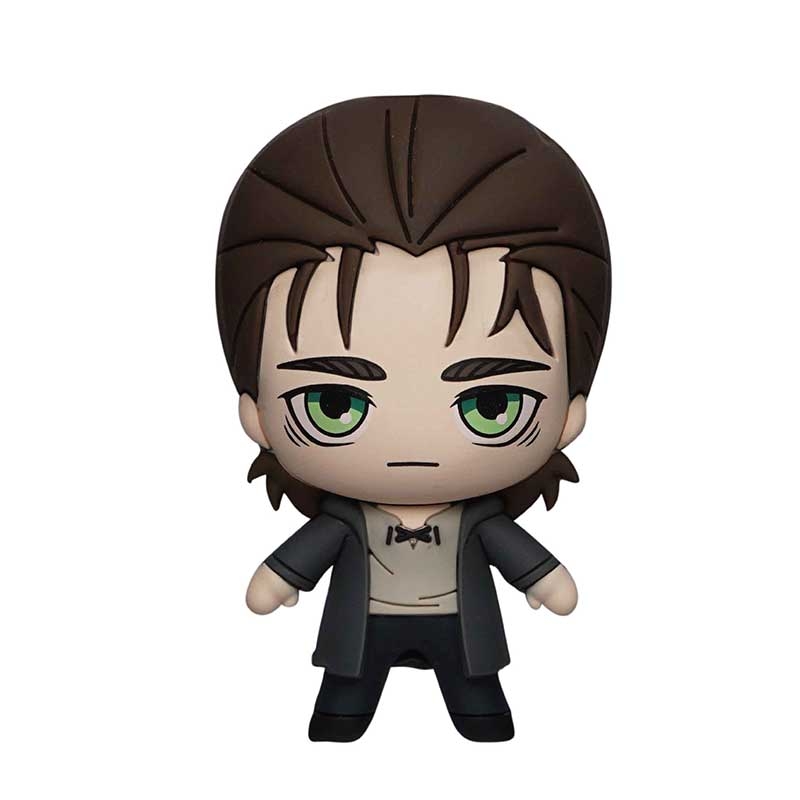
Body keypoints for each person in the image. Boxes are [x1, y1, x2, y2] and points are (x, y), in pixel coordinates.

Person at [215, 95, 611, 741]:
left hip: (463, 630)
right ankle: (343, 717)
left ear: (569, 415)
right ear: (256, 414)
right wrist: (276, 580)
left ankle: (479, 717)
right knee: (345, 700)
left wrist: (546, 580)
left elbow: (523, 560)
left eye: (491, 405)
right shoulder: (342, 521)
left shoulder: (481, 521)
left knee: (478, 700)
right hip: (359, 631)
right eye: (334, 404)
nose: (412, 442)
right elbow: (298, 560)